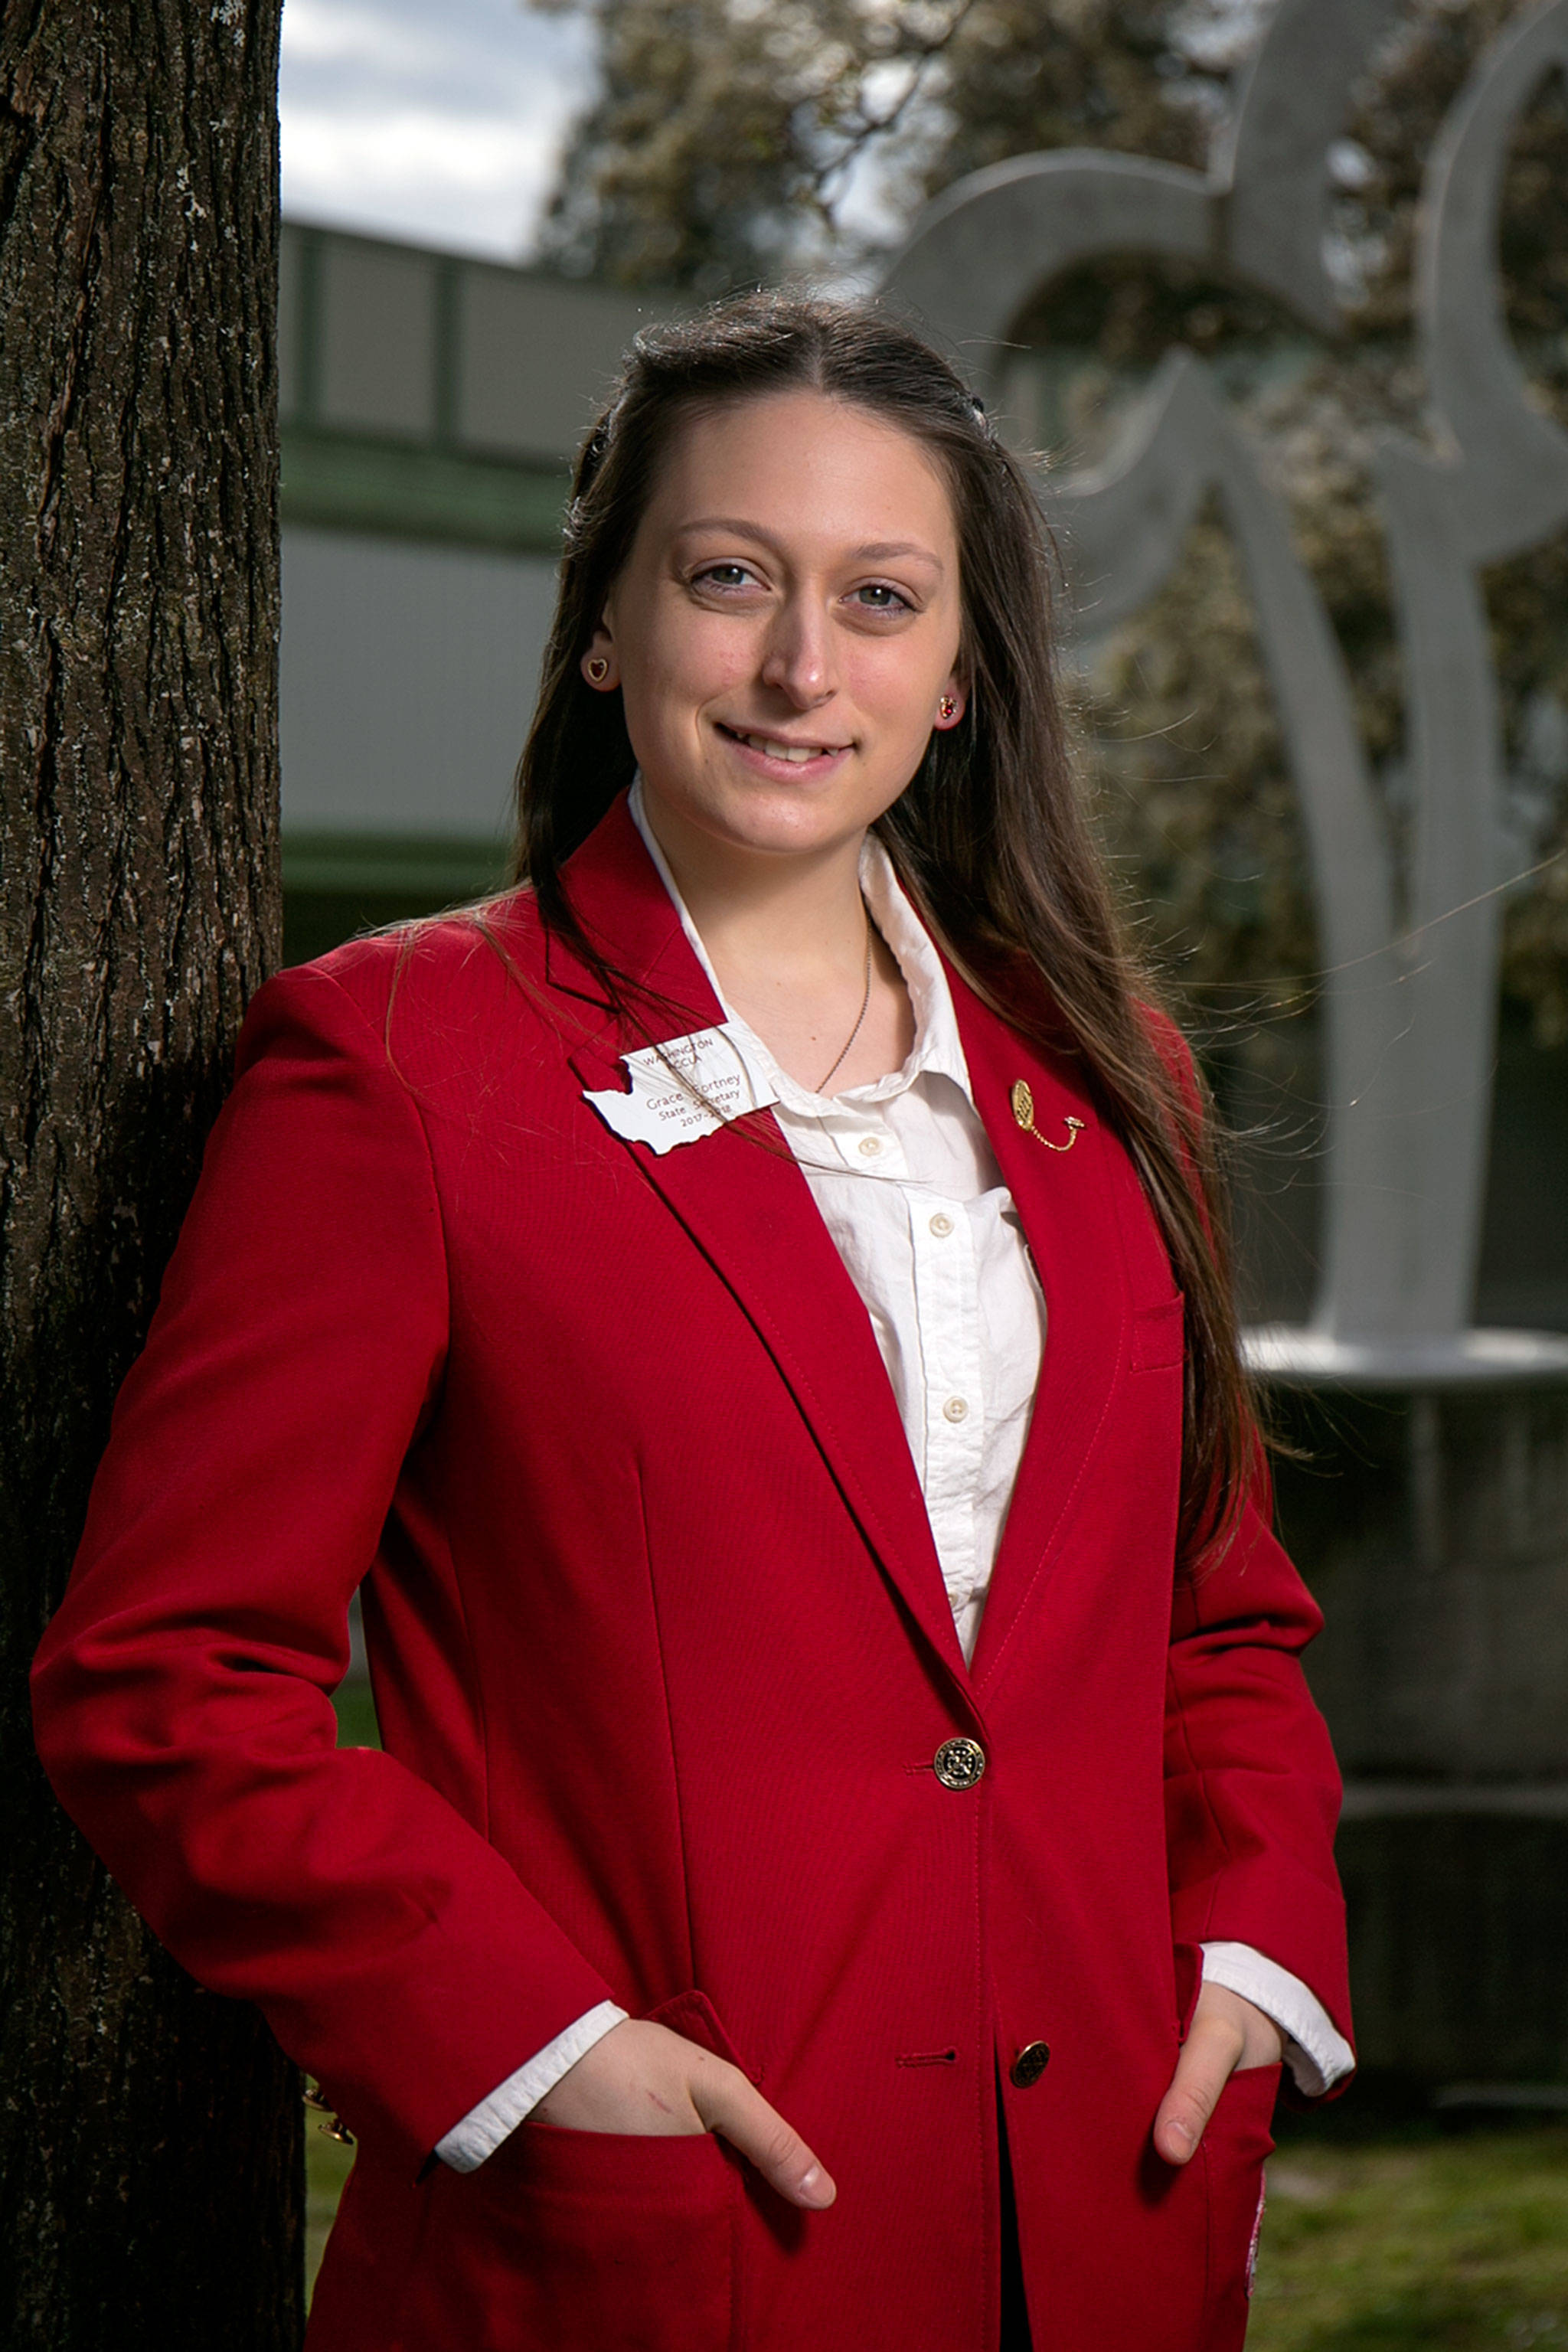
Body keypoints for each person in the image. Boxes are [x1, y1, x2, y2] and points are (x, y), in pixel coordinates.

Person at [31, 291, 1354, 2352]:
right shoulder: (397, 1061)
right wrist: (531, 2051)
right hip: (653, 2259)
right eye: (729, 577)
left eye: (882, 596)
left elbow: (1222, 1619)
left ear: (959, 676)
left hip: (1110, 2231)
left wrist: (1256, 1961)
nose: (802, 665)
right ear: (606, 623)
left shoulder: (1112, 1083)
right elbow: (168, 1672)